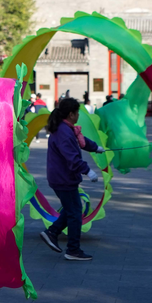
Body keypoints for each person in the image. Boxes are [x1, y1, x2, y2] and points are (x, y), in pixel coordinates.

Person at [39, 98, 104, 261]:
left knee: (72, 209)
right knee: (75, 213)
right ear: (71, 114)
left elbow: (81, 141)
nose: (78, 116)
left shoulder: (66, 128)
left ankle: (52, 232)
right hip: (63, 179)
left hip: (63, 177)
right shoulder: (64, 132)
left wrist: (95, 147)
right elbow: (72, 158)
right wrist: (88, 171)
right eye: (77, 113)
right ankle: (73, 249)